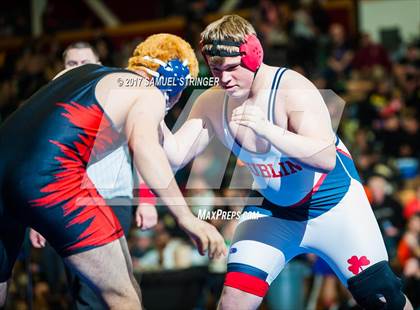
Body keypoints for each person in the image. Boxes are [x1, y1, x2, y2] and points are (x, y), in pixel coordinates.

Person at [154, 15, 413, 309]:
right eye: (215, 69)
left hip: (333, 203)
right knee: (233, 301)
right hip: (274, 211)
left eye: (231, 68)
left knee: (383, 298)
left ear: (254, 55)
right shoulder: (212, 102)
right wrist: (157, 105)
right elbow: (173, 157)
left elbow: (325, 158)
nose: (223, 78)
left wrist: (269, 130)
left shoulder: (291, 88)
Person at [0, 33, 226, 309]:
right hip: (50, 178)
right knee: (124, 295)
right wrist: (186, 217)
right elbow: (146, 149)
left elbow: (172, 151)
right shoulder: (148, 92)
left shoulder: (79, 73)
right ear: (174, 86)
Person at [29, 41, 143, 309]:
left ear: (100, 67)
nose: (79, 69)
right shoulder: (51, 106)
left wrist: (147, 200)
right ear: (62, 69)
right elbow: (37, 163)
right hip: (69, 202)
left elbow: (144, 147)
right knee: (82, 284)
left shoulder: (119, 99)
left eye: (85, 63)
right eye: (72, 64)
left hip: (114, 199)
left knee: (105, 288)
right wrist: (35, 218)